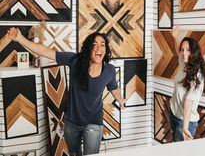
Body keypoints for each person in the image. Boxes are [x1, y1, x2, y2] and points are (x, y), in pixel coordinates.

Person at [8, 27, 126, 156]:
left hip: (94, 122)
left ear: (106, 49)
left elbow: (114, 88)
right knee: (74, 154)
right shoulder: (76, 61)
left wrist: (120, 99)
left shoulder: (109, 69)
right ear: (88, 49)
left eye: (102, 45)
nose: (99, 48)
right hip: (72, 122)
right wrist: (20, 38)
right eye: (94, 45)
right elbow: (46, 52)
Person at [170, 28, 205, 142]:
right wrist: (174, 37)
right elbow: (178, 51)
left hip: (185, 121)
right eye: (183, 49)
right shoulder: (184, 64)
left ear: (194, 51)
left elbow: (188, 102)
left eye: (188, 50)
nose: (184, 53)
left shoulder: (197, 76)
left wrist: (185, 128)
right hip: (174, 113)